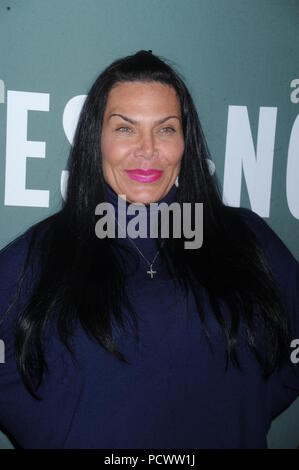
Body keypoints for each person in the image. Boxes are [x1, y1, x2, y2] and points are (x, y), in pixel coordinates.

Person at [0, 49, 298, 449]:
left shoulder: (245, 237)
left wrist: (245, 412)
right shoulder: (41, 252)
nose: (147, 149)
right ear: (96, 139)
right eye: (125, 129)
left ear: (185, 142)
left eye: (166, 129)